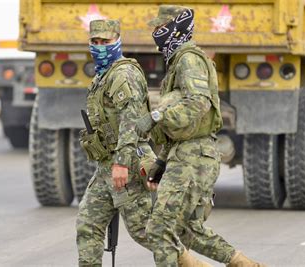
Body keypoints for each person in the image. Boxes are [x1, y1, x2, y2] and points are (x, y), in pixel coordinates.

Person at [135, 5, 267, 267]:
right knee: (188, 231)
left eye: (160, 28)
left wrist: (156, 118)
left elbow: (198, 103)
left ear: (176, 29)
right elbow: (183, 124)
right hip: (187, 154)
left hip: (193, 157)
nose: (155, 34)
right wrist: (160, 162)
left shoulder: (188, 59)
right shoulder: (178, 62)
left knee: (160, 230)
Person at [75, 19, 156, 266]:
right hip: (105, 166)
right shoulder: (103, 75)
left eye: (105, 42)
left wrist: (121, 163)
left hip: (126, 164)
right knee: (88, 225)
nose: (99, 47)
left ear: (118, 41)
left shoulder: (123, 74)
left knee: (146, 232)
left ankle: (186, 260)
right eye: (95, 42)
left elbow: (132, 120)